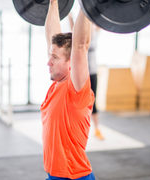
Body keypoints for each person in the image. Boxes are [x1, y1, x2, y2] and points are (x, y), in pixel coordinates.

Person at [40, 0, 96, 179]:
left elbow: (80, 46)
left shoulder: (76, 90)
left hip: (74, 176)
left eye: (54, 57)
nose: (48, 62)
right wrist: (54, 3)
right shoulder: (56, 86)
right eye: (50, 56)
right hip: (54, 175)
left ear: (71, 62)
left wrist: (87, 5)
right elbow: (51, 35)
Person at [68, 13, 104, 140]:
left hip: (92, 72)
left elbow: (102, 21)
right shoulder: (78, 38)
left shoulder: (94, 32)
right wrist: (70, 17)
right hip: (80, 73)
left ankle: (97, 129)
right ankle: (75, 129)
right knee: (77, 102)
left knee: (93, 102)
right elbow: (75, 30)